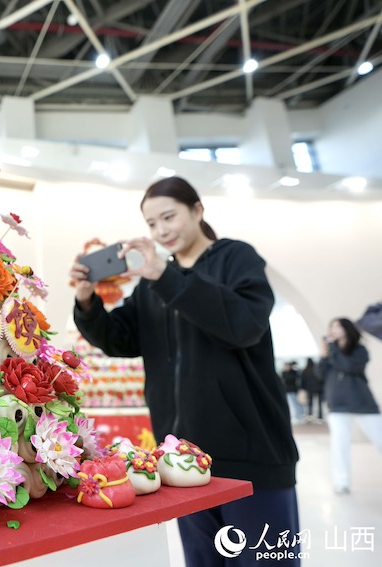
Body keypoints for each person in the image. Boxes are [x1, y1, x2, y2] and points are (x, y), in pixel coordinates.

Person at [70, 176, 299, 566]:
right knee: (202, 560)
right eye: (152, 224)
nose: (161, 230)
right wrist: (86, 300)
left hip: (251, 458)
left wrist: (165, 276)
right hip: (183, 462)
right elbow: (121, 338)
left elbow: (244, 325)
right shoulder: (155, 283)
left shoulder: (236, 259)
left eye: (169, 216)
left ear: (197, 210)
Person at [318, 317, 382, 495]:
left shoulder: (360, 350)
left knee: (380, 439)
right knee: (339, 445)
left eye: (338, 326)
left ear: (347, 329)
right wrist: (325, 355)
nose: (334, 329)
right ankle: (341, 482)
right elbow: (320, 374)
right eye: (332, 326)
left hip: (362, 402)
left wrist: (331, 349)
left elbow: (348, 366)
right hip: (337, 404)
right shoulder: (331, 352)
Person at [300, 358, 324, 422]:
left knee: (310, 403)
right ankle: (320, 416)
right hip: (319, 388)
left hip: (309, 388)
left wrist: (303, 388)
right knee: (319, 403)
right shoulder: (317, 369)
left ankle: (310, 415)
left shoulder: (305, 370)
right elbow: (322, 378)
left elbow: (303, 380)